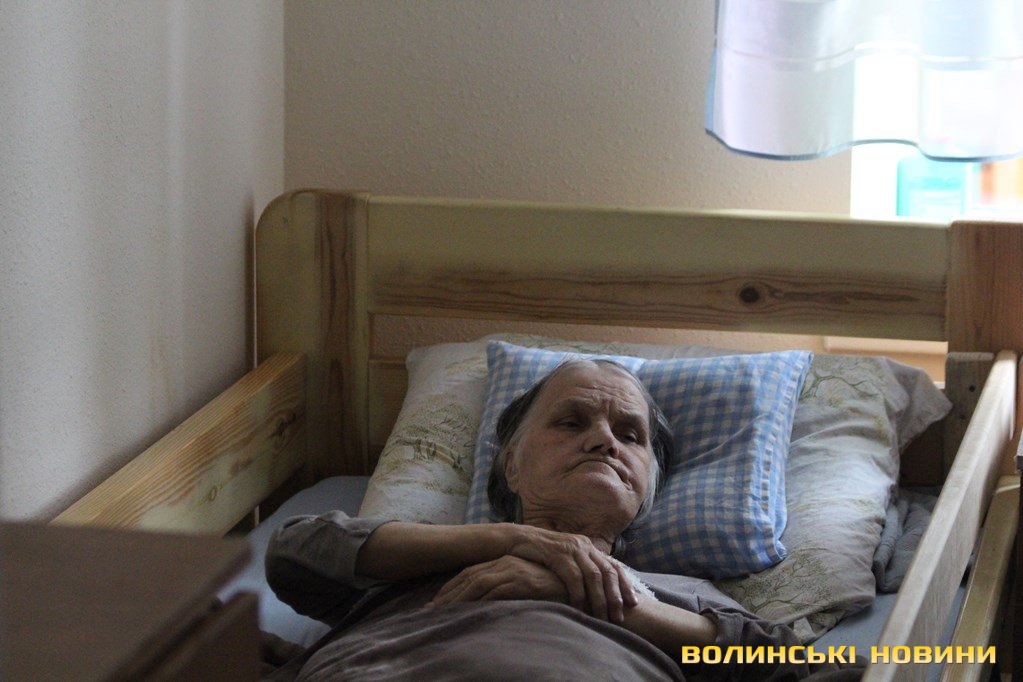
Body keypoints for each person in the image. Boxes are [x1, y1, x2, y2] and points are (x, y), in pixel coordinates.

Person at [264, 359, 827, 681]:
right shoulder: (423, 557)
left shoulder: (679, 596)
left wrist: (587, 594)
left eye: (630, 435)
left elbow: (788, 664)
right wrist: (514, 540)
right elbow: (294, 552)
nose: (604, 440)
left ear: (646, 491)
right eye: (571, 422)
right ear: (511, 463)